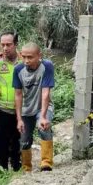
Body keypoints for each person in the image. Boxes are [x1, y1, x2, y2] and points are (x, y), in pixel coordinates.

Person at [13, 42, 55, 172]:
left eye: (30, 57)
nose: (26, 61)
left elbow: (45, 92)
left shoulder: (46, 66)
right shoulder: (18, 70)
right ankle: (26, 167)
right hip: (26, 109)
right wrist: (19, 119)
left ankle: (46, 163)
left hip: (43, 107)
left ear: (39, 55)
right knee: (25, 139)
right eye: (23, 57)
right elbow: (18, 95)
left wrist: (42, 116)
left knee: (44, 128)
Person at [0, 32, 22, 171]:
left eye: (9, 45)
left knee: (18, 141)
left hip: (20, 111)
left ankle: (17, 169)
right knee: (1, 143)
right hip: (1, 110)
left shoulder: (24, 60)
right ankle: (3, 169)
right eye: (3, 45)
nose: (5, 48)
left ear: (16, 45)